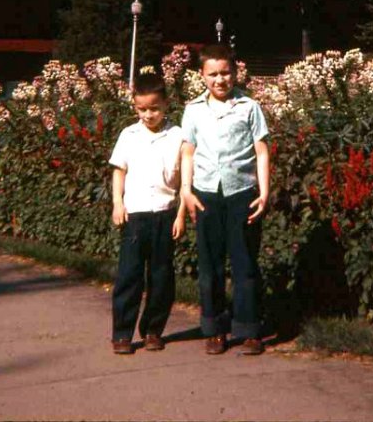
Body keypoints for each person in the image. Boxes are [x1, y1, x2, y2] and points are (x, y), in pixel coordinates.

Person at [180, 43, 270, 355]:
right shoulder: (193, 110)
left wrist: (264, 192)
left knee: (244, 263)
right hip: (206, 195)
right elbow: (188, 153)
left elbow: (261, 151)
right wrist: (186, 191)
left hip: (242, 194)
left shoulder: (249, 106)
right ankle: (215, 328)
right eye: (213, 74)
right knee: (211, 265)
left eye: (226, 72)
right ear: (202, 75)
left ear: (235, 71)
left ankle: (248, 328)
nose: (220, 79)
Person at [109, 71, 186, 354]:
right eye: (141, 109)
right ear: (134, 107)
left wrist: (180, 214)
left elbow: (183, 176)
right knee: (129, 275)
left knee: (161, 275)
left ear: (166, 104)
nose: (148, 114)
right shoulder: (128, 135)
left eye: (154, 108)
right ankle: (122, 334)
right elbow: (120, 171)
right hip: (135, 215)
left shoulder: (177, 135)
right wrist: (118, 203)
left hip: (164, 214)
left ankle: (153, 330)